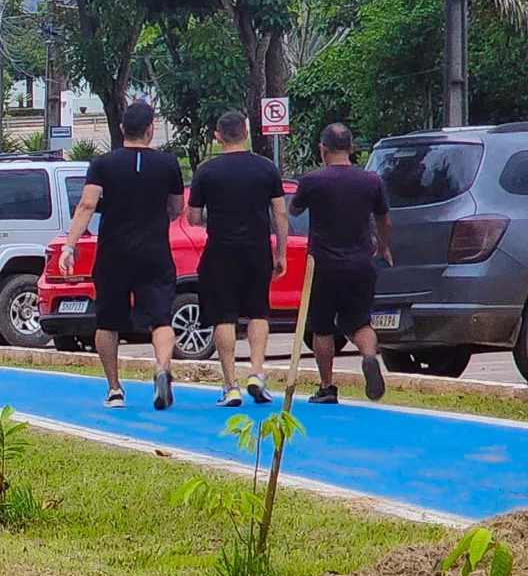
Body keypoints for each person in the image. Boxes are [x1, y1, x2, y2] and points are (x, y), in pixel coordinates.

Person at [63, 100, 186, 409]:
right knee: (161, 319)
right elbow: (177, 209)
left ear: (121, 130)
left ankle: (115, 389)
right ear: (150, 129)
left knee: (107, 321)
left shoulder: (103, 164)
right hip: (154, 252)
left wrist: (70, 244)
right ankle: (162, 368)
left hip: (114, 254)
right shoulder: (168, 164)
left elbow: (87, 205)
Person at [185, 110, 290, 406]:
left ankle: (230, 384)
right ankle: (256, 372)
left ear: (218, 137)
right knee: (259, 312)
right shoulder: (266, 168)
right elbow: (280, 213)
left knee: (224, 316)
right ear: (245, 133)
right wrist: (280, 252)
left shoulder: (207, 171)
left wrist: (212, 215)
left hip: (220, 251)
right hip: (257, 250)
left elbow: (193, 217)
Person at [292, 121, 396, 403]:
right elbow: (384, 218)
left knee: (322, 326)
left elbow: (296, 207)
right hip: (361, 263)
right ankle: (369, 356)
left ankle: (327, 386)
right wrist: (384, 246)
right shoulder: (371, 181)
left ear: (323, 148)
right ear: (351, 148)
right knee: (360, 321)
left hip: (324, 265)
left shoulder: (313, 180)